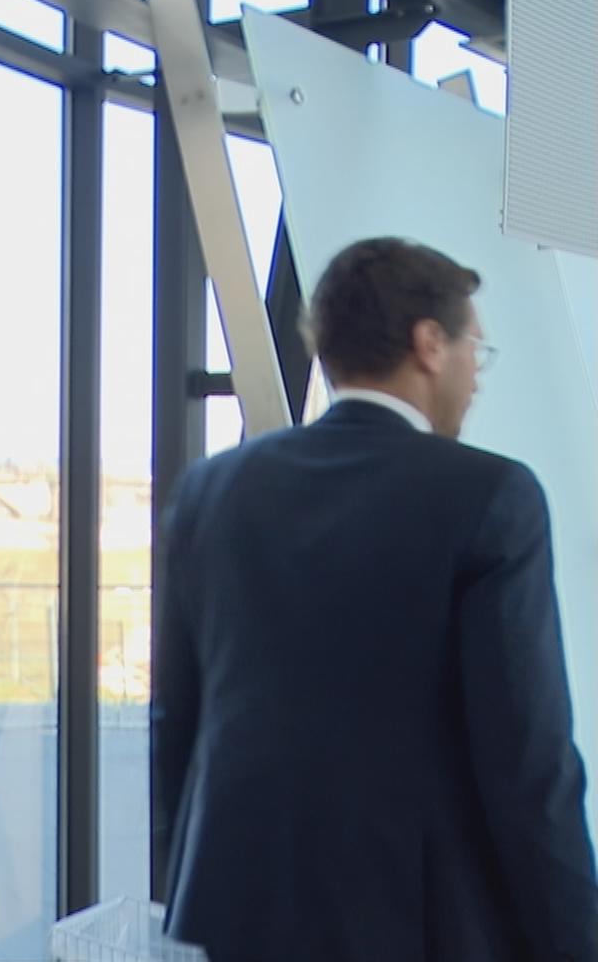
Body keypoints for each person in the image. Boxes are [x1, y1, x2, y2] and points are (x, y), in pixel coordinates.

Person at [153, 236, 598, 962]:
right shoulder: (490, 496)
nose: (476, 379)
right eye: (475, 351)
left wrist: (193, 885)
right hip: (420, 927)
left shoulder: (213, 490)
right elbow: (526, 763)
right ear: (429, 345)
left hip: (242, 916)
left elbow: (178, 721)